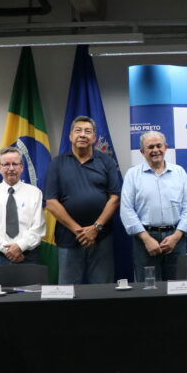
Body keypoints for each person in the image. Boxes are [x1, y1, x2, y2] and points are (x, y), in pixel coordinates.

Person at [45, 116, 122, 284]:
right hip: (68, 237)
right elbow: (51, 202)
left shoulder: (106, 161)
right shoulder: (57, 163)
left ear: (94, 137)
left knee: (103, 290)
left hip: (101, 236)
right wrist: (79, 231)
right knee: (67, 291)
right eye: (78, 131)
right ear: (70, 136)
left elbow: (115, 198)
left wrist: (95, 228)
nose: (82, 135)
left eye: (88, 131)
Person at [120, 131, 187, 281]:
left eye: (159, 145)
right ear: (142, 151)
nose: (155, 150)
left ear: (165, 147)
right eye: (150, 147)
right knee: (148, 290)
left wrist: (176, 237)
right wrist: (146, 239)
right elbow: (126, 210)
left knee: (177, 288)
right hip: (145, 239)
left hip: (176, 238)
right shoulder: (132, 175)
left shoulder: (179, 172)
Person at [0, 146, 46, 265]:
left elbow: (38, 228)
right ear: (0, 168)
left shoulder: (35, 193)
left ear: (21, 167)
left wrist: (20, 247)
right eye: (6, 164)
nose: (11, 168)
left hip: (28, 257)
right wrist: (8, 251)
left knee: (31, 285)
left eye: (15, 164)